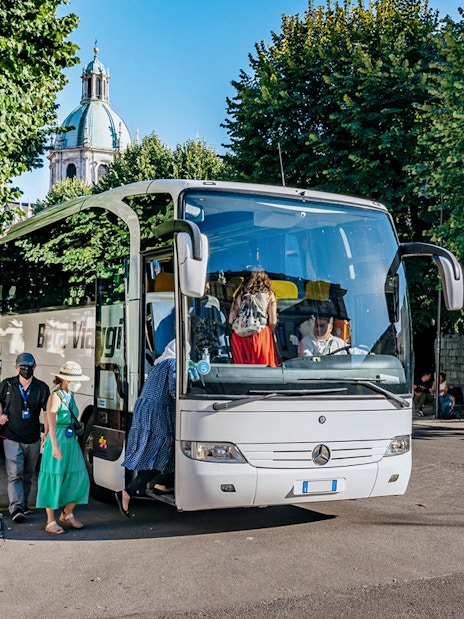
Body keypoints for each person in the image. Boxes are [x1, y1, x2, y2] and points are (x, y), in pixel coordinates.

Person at [115, 340, 176, 518]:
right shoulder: (173, 363)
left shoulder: (160, 363)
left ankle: (160, 484)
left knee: (149, 450)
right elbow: (174, 390)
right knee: (164, 450)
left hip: (145, 410)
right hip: (158, 412)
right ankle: (128, 492)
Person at [35, 361, 90, 535]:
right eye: (74, 379)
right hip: (57, 439)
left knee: (80, 478)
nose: (77, 382)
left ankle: (67, 513)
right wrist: (54, 445)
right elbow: (50, 419)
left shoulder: (69, 394)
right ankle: (50, 520)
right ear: (64, 379)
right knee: (54, 477)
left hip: (69, 440)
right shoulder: (56, 395)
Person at [0, 353, 50, 523]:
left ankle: (25, 505)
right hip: (11, 437)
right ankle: (16, 508)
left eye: (29, 367)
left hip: (33, 439)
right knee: (15, 474)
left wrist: (47, 432)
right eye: (23, 367)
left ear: (34, 367)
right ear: (16, 368)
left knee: (28, 475)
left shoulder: (41, 388)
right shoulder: (7, 384)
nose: (26, 370)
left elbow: (47, 412)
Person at [228, 269, 278, 366]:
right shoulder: (270, 295)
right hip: (260, 334)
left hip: (239, 335)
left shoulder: (240, 295)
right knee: (263, 368)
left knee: (242, 370)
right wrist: (268, 330)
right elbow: (272, 321)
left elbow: (231, 320)